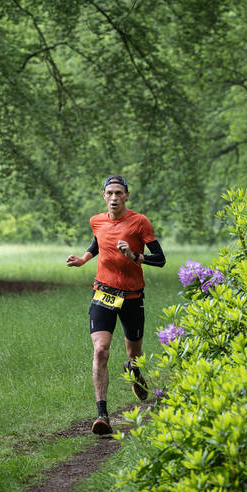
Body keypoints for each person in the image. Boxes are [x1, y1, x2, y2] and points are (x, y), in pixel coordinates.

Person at [66, 175, 166, 435]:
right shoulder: (96, 221)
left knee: (135, 353)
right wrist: (84, 259)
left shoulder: (139, 222)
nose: (114, 197)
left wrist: (133, 256)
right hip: (104, 293)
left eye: (119, 193)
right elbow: (98, 242)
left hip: (132, 297)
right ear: (103, 195)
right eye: (109, 193)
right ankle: (102, 415)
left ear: (126, 196)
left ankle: (133, 368)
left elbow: (160, 259)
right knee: (100, 350)